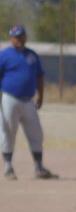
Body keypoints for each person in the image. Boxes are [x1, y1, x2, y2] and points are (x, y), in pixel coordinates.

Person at [0, 25, 57, 180]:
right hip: (10, 98)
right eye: (16, 37)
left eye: (21, 36)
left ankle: (39, 167)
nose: (19, 39)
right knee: (8, 132)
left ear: (25, 37)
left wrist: (41, 96)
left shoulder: (32, 56)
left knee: (36, 133)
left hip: (28, 100)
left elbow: (39, 76)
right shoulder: (4, 55)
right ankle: (8, 167)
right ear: (11, 38)